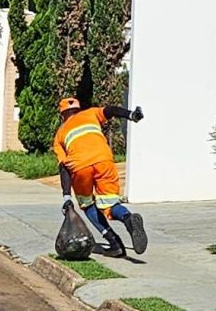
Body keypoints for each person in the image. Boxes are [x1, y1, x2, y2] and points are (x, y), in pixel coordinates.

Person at [53, 97, 147, 258]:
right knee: (110, 204)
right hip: (104, 159)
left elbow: (64, 168)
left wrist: (67, 197)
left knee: (88, 204)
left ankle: (115, 244)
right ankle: (128, 219)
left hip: (80, 167)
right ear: (79, 110)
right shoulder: (91, 113)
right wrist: (130, 115)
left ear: (62, 115)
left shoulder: (60, 134)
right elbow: (110, 110)